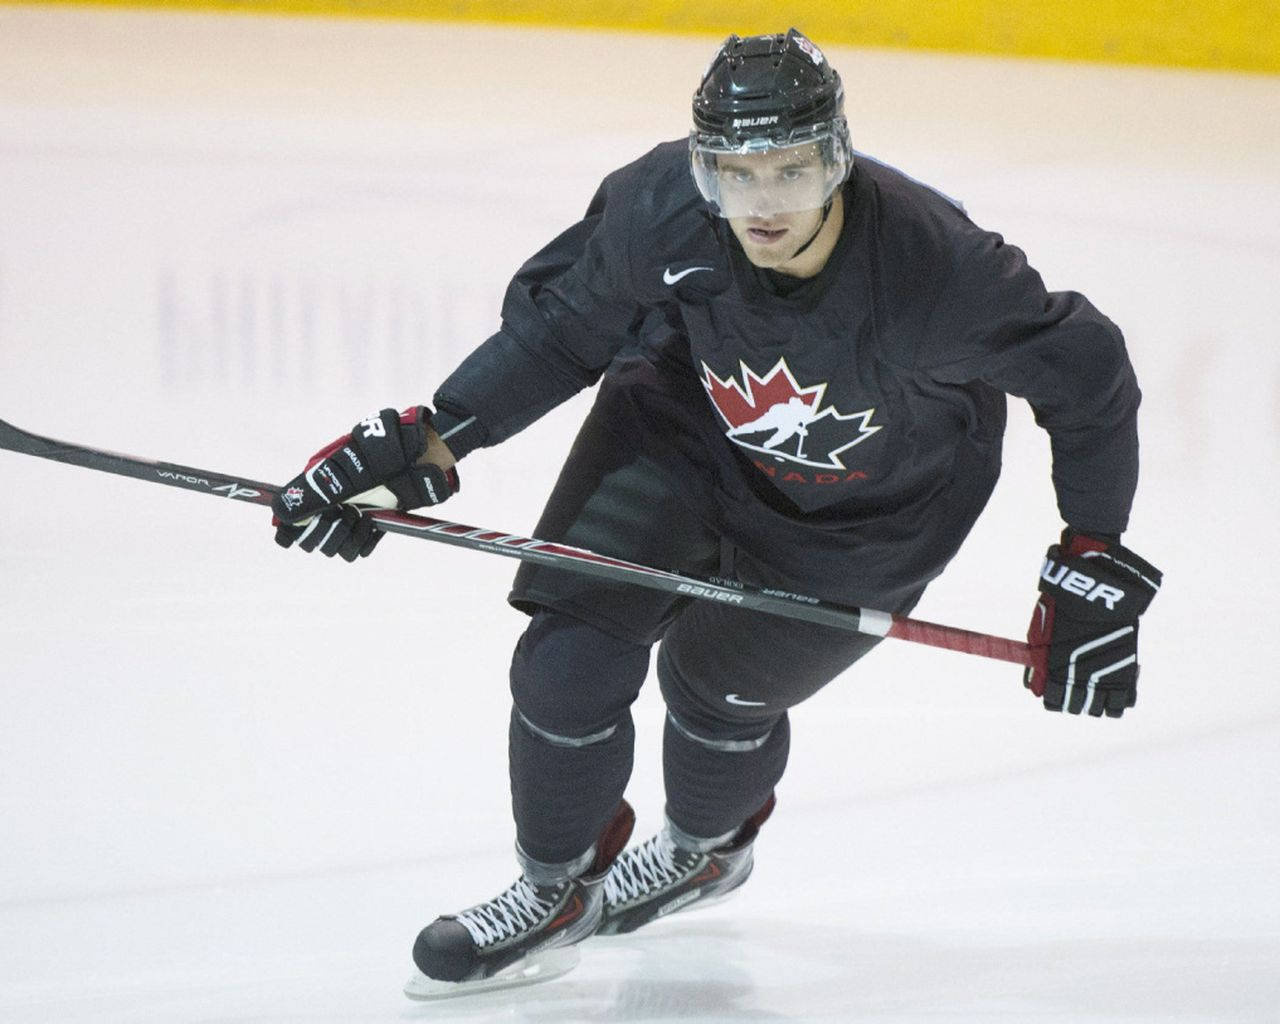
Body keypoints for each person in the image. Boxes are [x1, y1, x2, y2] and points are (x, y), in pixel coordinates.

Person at [271, 29, 1162, 998]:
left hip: (873, 511)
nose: (764, 204)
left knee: (710, 689)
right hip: (681, 429)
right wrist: (432, 444)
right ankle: (552, 886)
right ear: (701, 170)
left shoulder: (934, 274)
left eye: (791, 170)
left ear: (837, 158)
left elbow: (1087, 376)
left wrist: (1091, 553)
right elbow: (560, 333)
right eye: (735, 175)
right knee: (568, 654)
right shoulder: (659, 211)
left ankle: (702, 848)